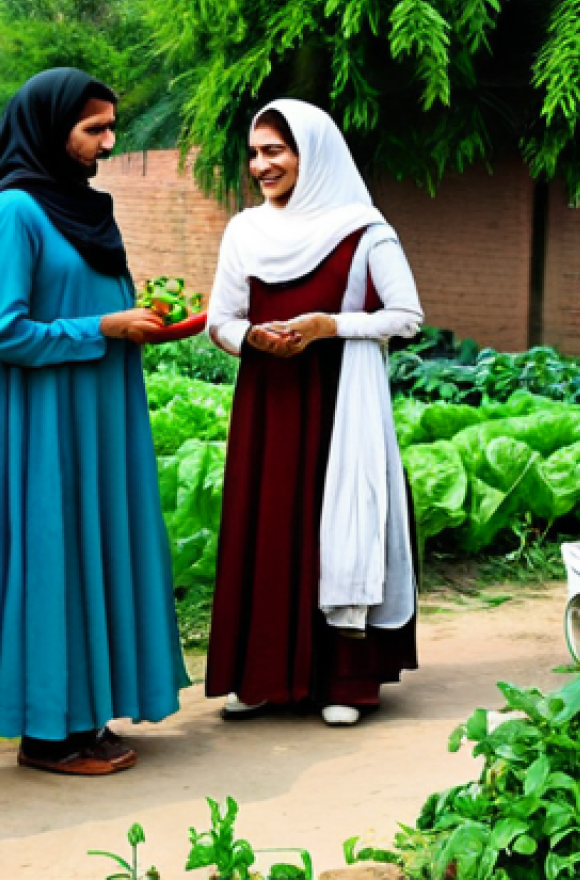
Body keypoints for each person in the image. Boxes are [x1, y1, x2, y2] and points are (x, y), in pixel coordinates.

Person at [0, 67, 190, 775]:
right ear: (51, 131)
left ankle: (84, 716)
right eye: (94, 129)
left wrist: (129, 321)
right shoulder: (14, 214)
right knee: (52, 558)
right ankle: (47, 733)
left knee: (92, 551)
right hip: (42, 428)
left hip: (96, 417)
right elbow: (1, 332)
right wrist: (106, 324)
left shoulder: (79, 206)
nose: (108, 142)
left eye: (111, 126)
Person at [205, 98, 423, 726]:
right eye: (254, 152)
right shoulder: (245, 230)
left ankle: (344, 683)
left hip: (339, 404)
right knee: (268, 525)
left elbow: (406, 316)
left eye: (275, 150)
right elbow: (221, 319)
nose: (260, 165)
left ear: (313, 153)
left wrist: (332, 326)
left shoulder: (364, 229)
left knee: (338, 525)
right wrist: (250, 338)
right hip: (269, 404)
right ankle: (263, 677)